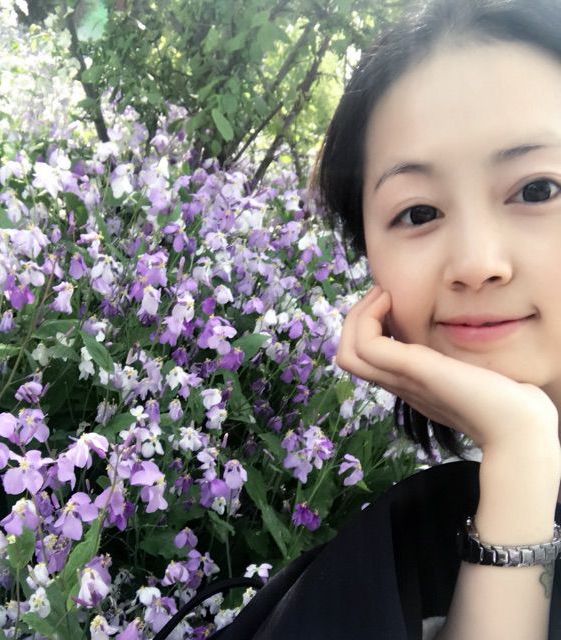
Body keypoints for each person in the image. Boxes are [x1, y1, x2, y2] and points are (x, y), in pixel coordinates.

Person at [205, 0, 561, 638]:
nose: (476, 264)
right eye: (418, 213)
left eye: (538, 189)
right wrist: (522, 459)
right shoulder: (401, 560)